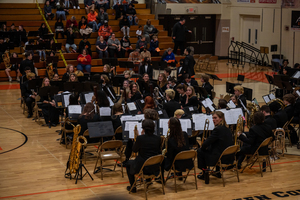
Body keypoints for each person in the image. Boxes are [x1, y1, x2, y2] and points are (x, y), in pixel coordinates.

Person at [125, 119, 161, 193]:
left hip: (143, 168)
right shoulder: (158, 138)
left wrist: (137, 139)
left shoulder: (140, 138)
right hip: (155, 167)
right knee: (147, 159)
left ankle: (133, 187)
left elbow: (134, 150)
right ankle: (148, 180)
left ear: (143, 128)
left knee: (128, 163)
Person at [197, 111, 234, 179]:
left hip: (220, 157)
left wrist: (203, 147)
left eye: (215, 118)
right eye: (212, 118)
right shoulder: (227, 129)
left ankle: (204, 174)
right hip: (229, 156)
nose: (213, 120)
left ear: (221, 119)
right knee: (215, 147)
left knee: (200, 151)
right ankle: (217, 172)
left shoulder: (217, 129)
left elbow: (207, 142)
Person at [157, 117, 193, 183]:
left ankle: (161, 178)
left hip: (176, 164)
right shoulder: (185, 134)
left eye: (168, 123)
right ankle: (179, 174)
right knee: (180, 154)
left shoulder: (170, 139)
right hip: (188, 162)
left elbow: (170, 155)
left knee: (161, 159)